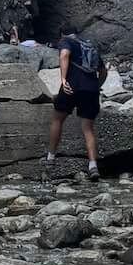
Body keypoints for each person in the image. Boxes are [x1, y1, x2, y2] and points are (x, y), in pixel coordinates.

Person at [46, 27, 105, 177]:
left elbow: (64, 55)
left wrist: (64, 79)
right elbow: (103, 72)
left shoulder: (66, 41)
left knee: (57, 119)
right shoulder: (89, 45)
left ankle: (50, 158)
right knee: (88, 129)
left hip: (71, 87)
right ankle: (93, 166)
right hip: (90, 89)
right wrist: (95, 86)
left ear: (61, 34)